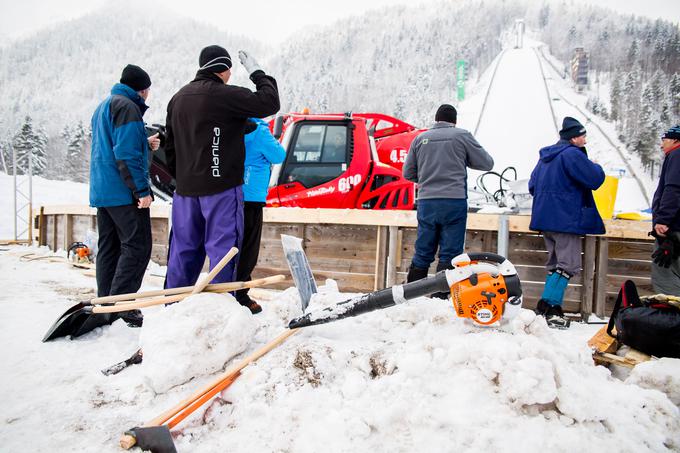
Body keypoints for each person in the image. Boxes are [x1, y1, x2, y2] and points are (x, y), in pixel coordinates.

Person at [164, 45, 280, 291]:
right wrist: (257, 73)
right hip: (221, 188)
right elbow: (269, 102)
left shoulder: (178, 99)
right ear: (225, 69)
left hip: (185, 192)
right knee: (223, 253)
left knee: (182, 252)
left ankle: (171, 307)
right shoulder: (225, 95)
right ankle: (220, 310)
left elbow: (170, 147)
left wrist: (181, 179)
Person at [90, 64, 160, 325]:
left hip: (102, 189)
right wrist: (141, 190)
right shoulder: (128, 107)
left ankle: (105, 302)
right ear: (142, 90)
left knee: (109, 247)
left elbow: (112, 144)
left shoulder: (105, 106)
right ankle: (122, 304)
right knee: (138, 246)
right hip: (123, 191)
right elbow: (126, 153)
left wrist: (144, 140)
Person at [402, 104, 494, 294]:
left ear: (436, 120)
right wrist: (464, 159)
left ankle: (412, 296)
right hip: (454, 201)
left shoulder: (420, 139)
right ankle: (442, 298)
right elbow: (487, 163)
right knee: (450, 253)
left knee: (423, 250)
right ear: (454, 121)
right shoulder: (462, 136)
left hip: (427, 202)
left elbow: (408, 173)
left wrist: (428, 178)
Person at [529, 116, 605, 328]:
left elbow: (532, 185)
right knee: (568, 264)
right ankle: (549, 308)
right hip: (566, 219)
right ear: (573, 138)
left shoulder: (545, 157)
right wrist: (595, 166)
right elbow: (595, 179)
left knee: (556, 265)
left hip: (545, 219)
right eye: (582, 136)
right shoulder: (571, 155)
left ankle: (549, 308)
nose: (585, 141)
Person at [235, 118, 286, 313]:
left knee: (233, 245)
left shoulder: (232, 125)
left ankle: (230, 289)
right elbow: (279, 155)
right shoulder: (259, 132)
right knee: (248, 249)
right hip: (253, 197)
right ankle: (240, 294)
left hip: (231, 195)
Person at [650, 125, 680, 296]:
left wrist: (663, 220)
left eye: (664, 140)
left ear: (675, 140)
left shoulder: (676, 155)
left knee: (664, 275)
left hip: (673, 229)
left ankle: (674, 319)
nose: (662, 145)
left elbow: (673, 188)